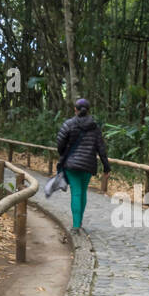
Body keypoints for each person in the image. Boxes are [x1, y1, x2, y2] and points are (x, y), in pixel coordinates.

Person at [56, 98, 111, 232]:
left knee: (76, 192)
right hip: (88, 165)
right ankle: (79, 222)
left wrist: (64, 154)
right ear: (88, 110)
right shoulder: (95, 127)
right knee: (83, 192)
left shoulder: (68, 124)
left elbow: (60, 143)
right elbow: (101, 148)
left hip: (72, 165)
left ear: (75, 109)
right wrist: (106, 167)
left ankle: (75, 225)